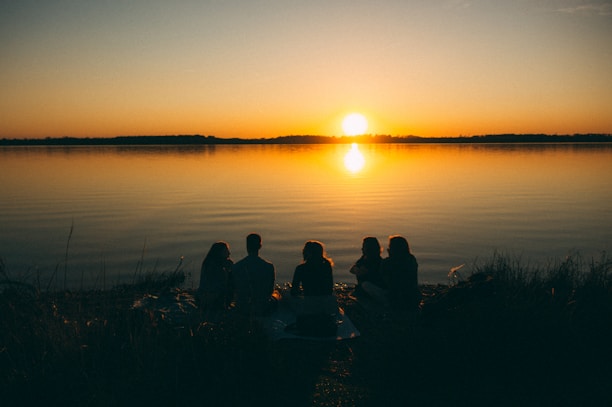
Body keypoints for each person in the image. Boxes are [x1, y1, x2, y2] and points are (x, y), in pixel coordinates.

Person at [289, 241, 338, 336]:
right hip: (325, 304)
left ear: (307, 253)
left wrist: (301, 292)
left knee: (284, 295)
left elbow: (294, 292)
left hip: (309, 304)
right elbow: (329, 288)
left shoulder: (300, 268)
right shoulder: (326, 266)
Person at [231, 233, 279, 316]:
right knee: (277, 294)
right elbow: (269, 290)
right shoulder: (268, 266)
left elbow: (233, 288)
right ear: (260, 246)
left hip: (242, 307)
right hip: (262, 307)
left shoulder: (236, 266)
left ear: (247, 246)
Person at [379, 235, 420, 312]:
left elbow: (384, 280)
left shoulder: (387, 263)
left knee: (366, 285)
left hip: (395, 299)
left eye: (390, 246)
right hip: (414, 298)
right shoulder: (411, 259)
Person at [198, 241, 233, 320]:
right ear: (220, 252)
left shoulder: (208, 262)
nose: (229, 253)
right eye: (226, 250)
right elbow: (222, 285)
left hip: (201, 298)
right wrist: (230, 271)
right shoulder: (216, 267)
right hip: (213, 300)